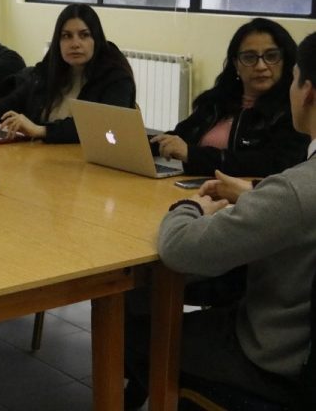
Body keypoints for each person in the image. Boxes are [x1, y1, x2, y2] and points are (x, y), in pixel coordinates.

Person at [124, 30, 316, 410]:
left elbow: (179, 248)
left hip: (273, 359)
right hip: (298, 348)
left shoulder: (297, 189)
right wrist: (255, 198)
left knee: (133, 335)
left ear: (307, 91)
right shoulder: (293, 192)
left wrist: (192, 207)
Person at [151, 17, 308, 177]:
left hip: (247, 197)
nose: (261, 66)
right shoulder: (216, 102)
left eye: (271, 56)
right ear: (236, 64)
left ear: (285, 60)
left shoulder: (294, 111)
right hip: (196, 188)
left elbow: (273, 163)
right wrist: (139, 144)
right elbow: (179, 137)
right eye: (249, 57)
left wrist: (192, 154)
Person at [0, 3, 135, 143]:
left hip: (87, 163)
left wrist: (41, 131)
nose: (75, 44)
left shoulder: (116, 78)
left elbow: (99, 127)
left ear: (96, 39)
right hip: (44, 157)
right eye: (66, 36)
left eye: (84, 35)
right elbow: (13, 102)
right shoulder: (49, 70)